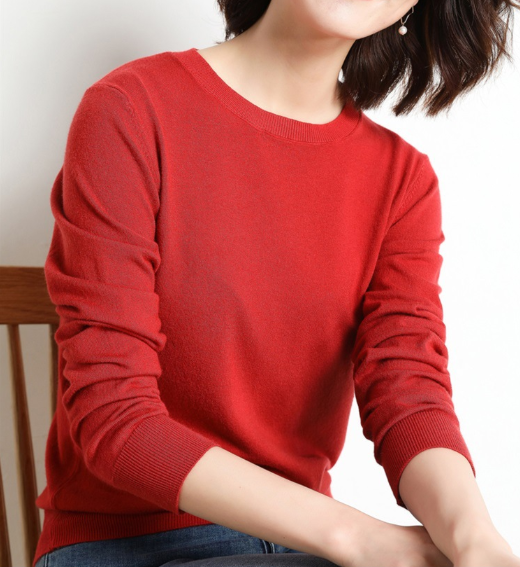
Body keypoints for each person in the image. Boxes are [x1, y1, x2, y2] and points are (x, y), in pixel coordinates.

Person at [33, 1, 520, 566]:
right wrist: (361, 538)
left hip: (296, 549)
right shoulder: (131, 108)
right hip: (128, 544)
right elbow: (114, 418)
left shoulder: (402, 181)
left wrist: (475, 540)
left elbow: (408, 393)